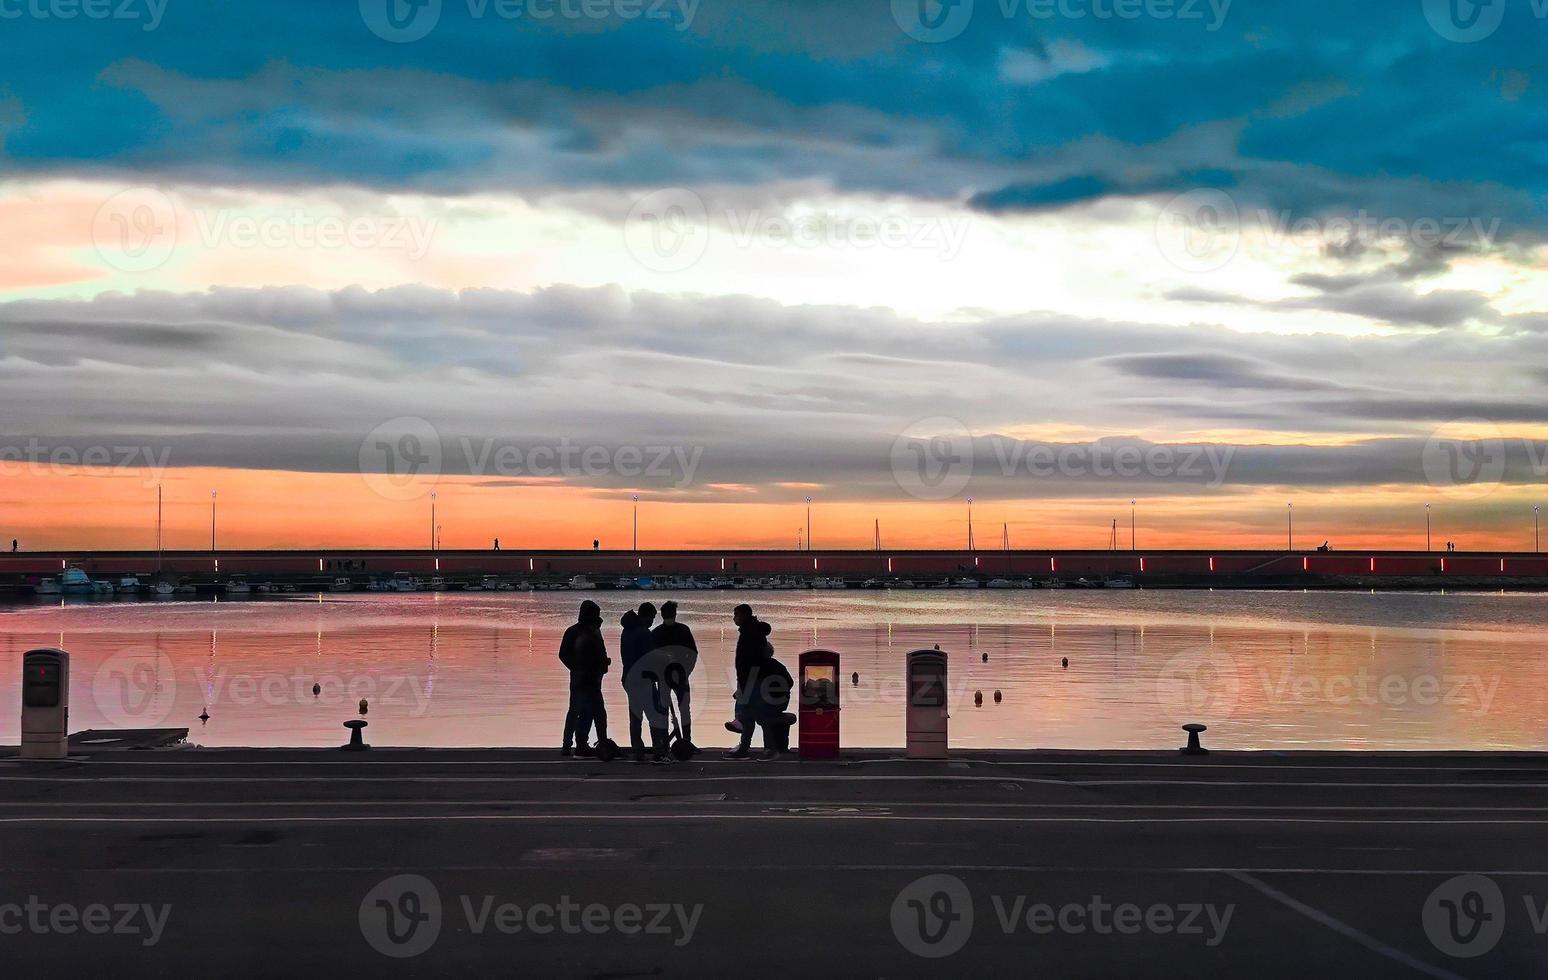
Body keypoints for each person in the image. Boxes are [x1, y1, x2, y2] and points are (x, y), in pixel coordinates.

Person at [558, 600, 610, 757]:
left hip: (594, 678)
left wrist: (603, 663)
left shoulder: (595, 631)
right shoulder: (573, 632)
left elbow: (601, 650)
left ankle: (590, 743)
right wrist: (576, 667)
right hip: (580, 678)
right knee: (576, 711)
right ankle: (568, 744)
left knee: (595, 712)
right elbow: (563, 654)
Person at [725, 604, 775, 760]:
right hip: (751, 678)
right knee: (752, 715)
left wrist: (745, 681)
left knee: (754, 715)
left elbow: (750, 659)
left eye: (736, 615)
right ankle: (750, 747)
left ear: (744, 616)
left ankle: (766, 749)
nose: (734, 618)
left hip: (752, 679)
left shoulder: (749, 633)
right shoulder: (752, 631)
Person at [620, 602, 667, 762]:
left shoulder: (626, 631)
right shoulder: (643, 632)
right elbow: (650, 656)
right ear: (645, 616)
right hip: (643, 679)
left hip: (628, 678)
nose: (652, 621)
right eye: (652, 617)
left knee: (635, 717)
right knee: (654, 716)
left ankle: (638, 751)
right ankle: (659, 751)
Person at [651, 600, 699, 754]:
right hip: (681, 675)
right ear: (675, 614)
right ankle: (687, 741)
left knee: (663, 709)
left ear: (662, 614)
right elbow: (693, 653)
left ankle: (664, 742)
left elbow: (651, 656)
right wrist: (687, 671)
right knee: (685, 709)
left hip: (663, 677)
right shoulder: (684, 630)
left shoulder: (656, 632)